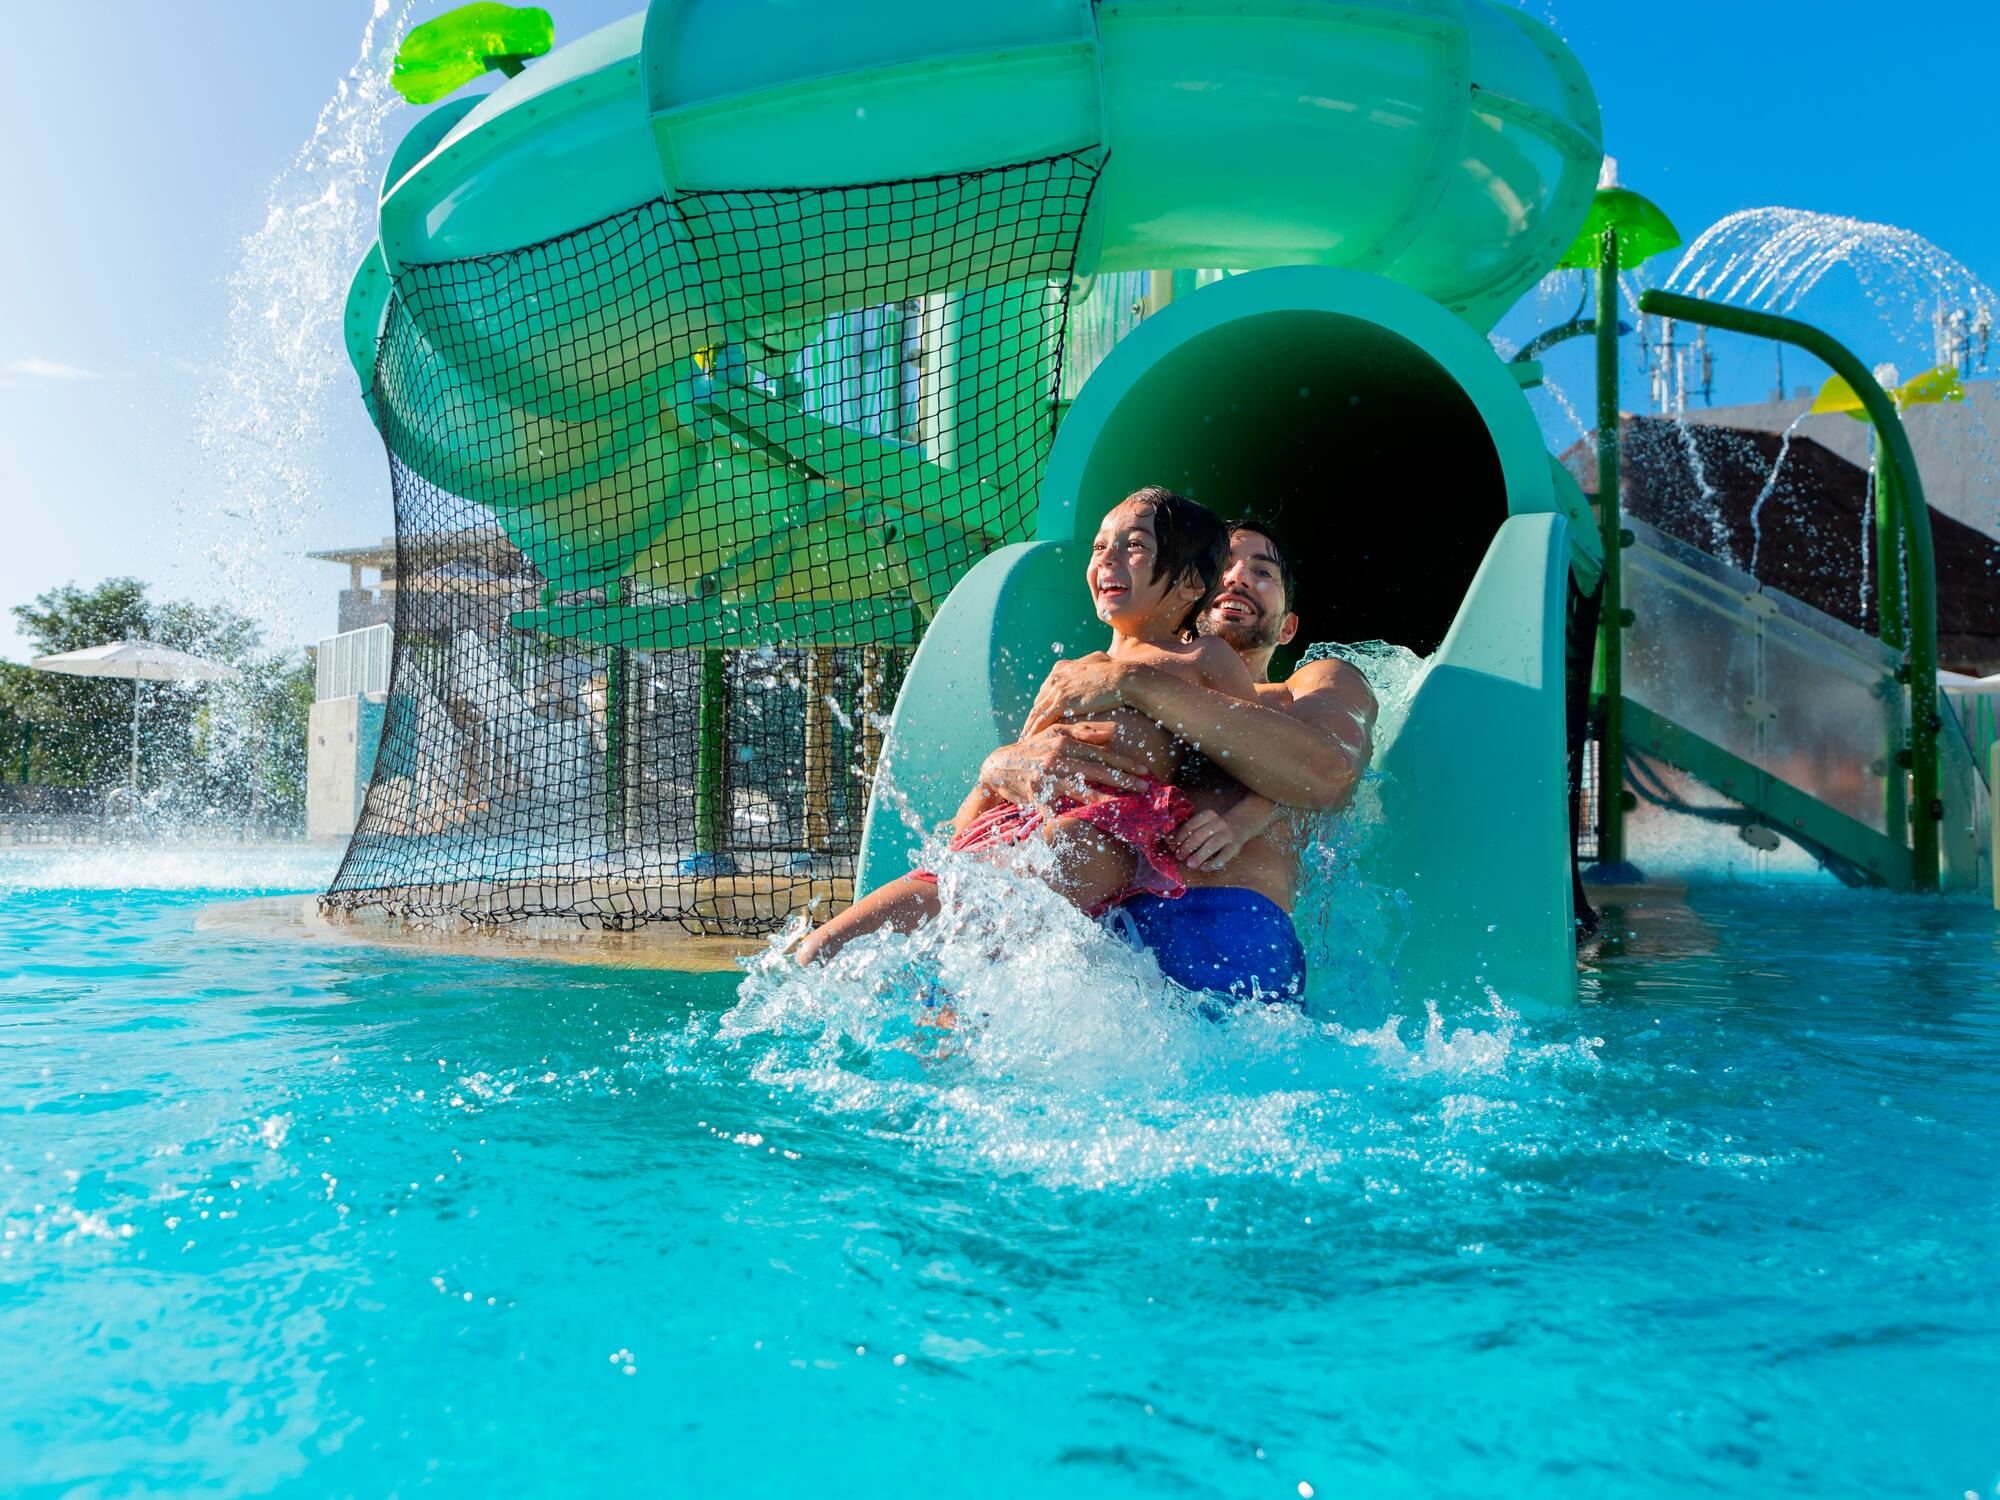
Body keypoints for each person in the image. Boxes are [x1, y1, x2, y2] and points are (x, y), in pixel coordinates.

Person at [797, 487, 1253, 966]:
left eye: (1135, 545)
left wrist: (1239, 824)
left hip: (1101, 831)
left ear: (1191, 584)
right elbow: (1014, 771)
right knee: (821, 953)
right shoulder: (1071, 674)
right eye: (1100, 546)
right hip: (1013, 831)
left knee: (986, 928)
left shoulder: (1201, 658)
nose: (1108, 558)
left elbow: (1260, 755)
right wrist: (960, 834)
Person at [986, 518, 1377, 1001]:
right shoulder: (1096, 680)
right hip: (1095, 934)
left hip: (1227, 922)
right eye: (1222, 567)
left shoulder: (1309, 688)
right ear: (1184, 590)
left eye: (1262, 573)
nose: (1236, 578)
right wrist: (997, 764)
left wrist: (1137, 683)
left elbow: (1329, 774)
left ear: (1289, 625)